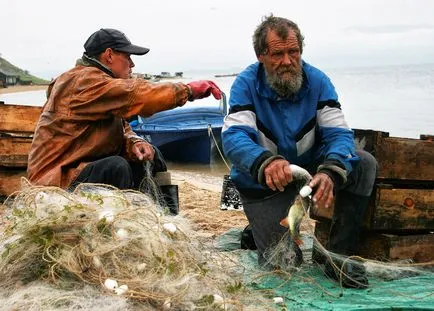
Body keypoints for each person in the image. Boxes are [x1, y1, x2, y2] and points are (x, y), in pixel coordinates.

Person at [221, 15, 377, 288]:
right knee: (282, 267)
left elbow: (339, 134)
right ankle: (256, 229)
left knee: (364, 163)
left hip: (308, 173)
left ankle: (338, 256)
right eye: (277, 54)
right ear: (261, 56)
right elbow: (234, 138)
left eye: (293, 52)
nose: (287, 61)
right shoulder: (245, 84)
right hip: (264, 183)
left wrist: (331, 170)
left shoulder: (318, 81)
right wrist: (266, 162)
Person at [27, 28, 222, 200]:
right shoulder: (83, 81)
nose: (132, 64)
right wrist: (187, 90)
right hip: (56, 181)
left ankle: (165, 217)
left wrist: (135, 142)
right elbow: (140, 95)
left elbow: (122, 128)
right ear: (109, 55)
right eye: (128, 57)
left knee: (151, 156)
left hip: (80, 169)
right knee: (115, 167)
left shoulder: (100, 86)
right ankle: (120, 222)